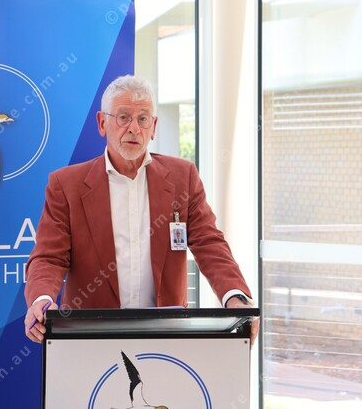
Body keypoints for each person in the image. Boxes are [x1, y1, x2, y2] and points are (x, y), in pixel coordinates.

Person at [24, 75, 259, 345]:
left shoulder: (183, 177)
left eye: (143, 118)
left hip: (166, 337)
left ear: (154, 126)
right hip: (90, 339)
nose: (134, 128)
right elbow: (48, 258)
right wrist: (41, 300)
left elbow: (209, 244)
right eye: (123, 117)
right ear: (102, 123)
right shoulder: (67, 185)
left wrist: (235, 297)